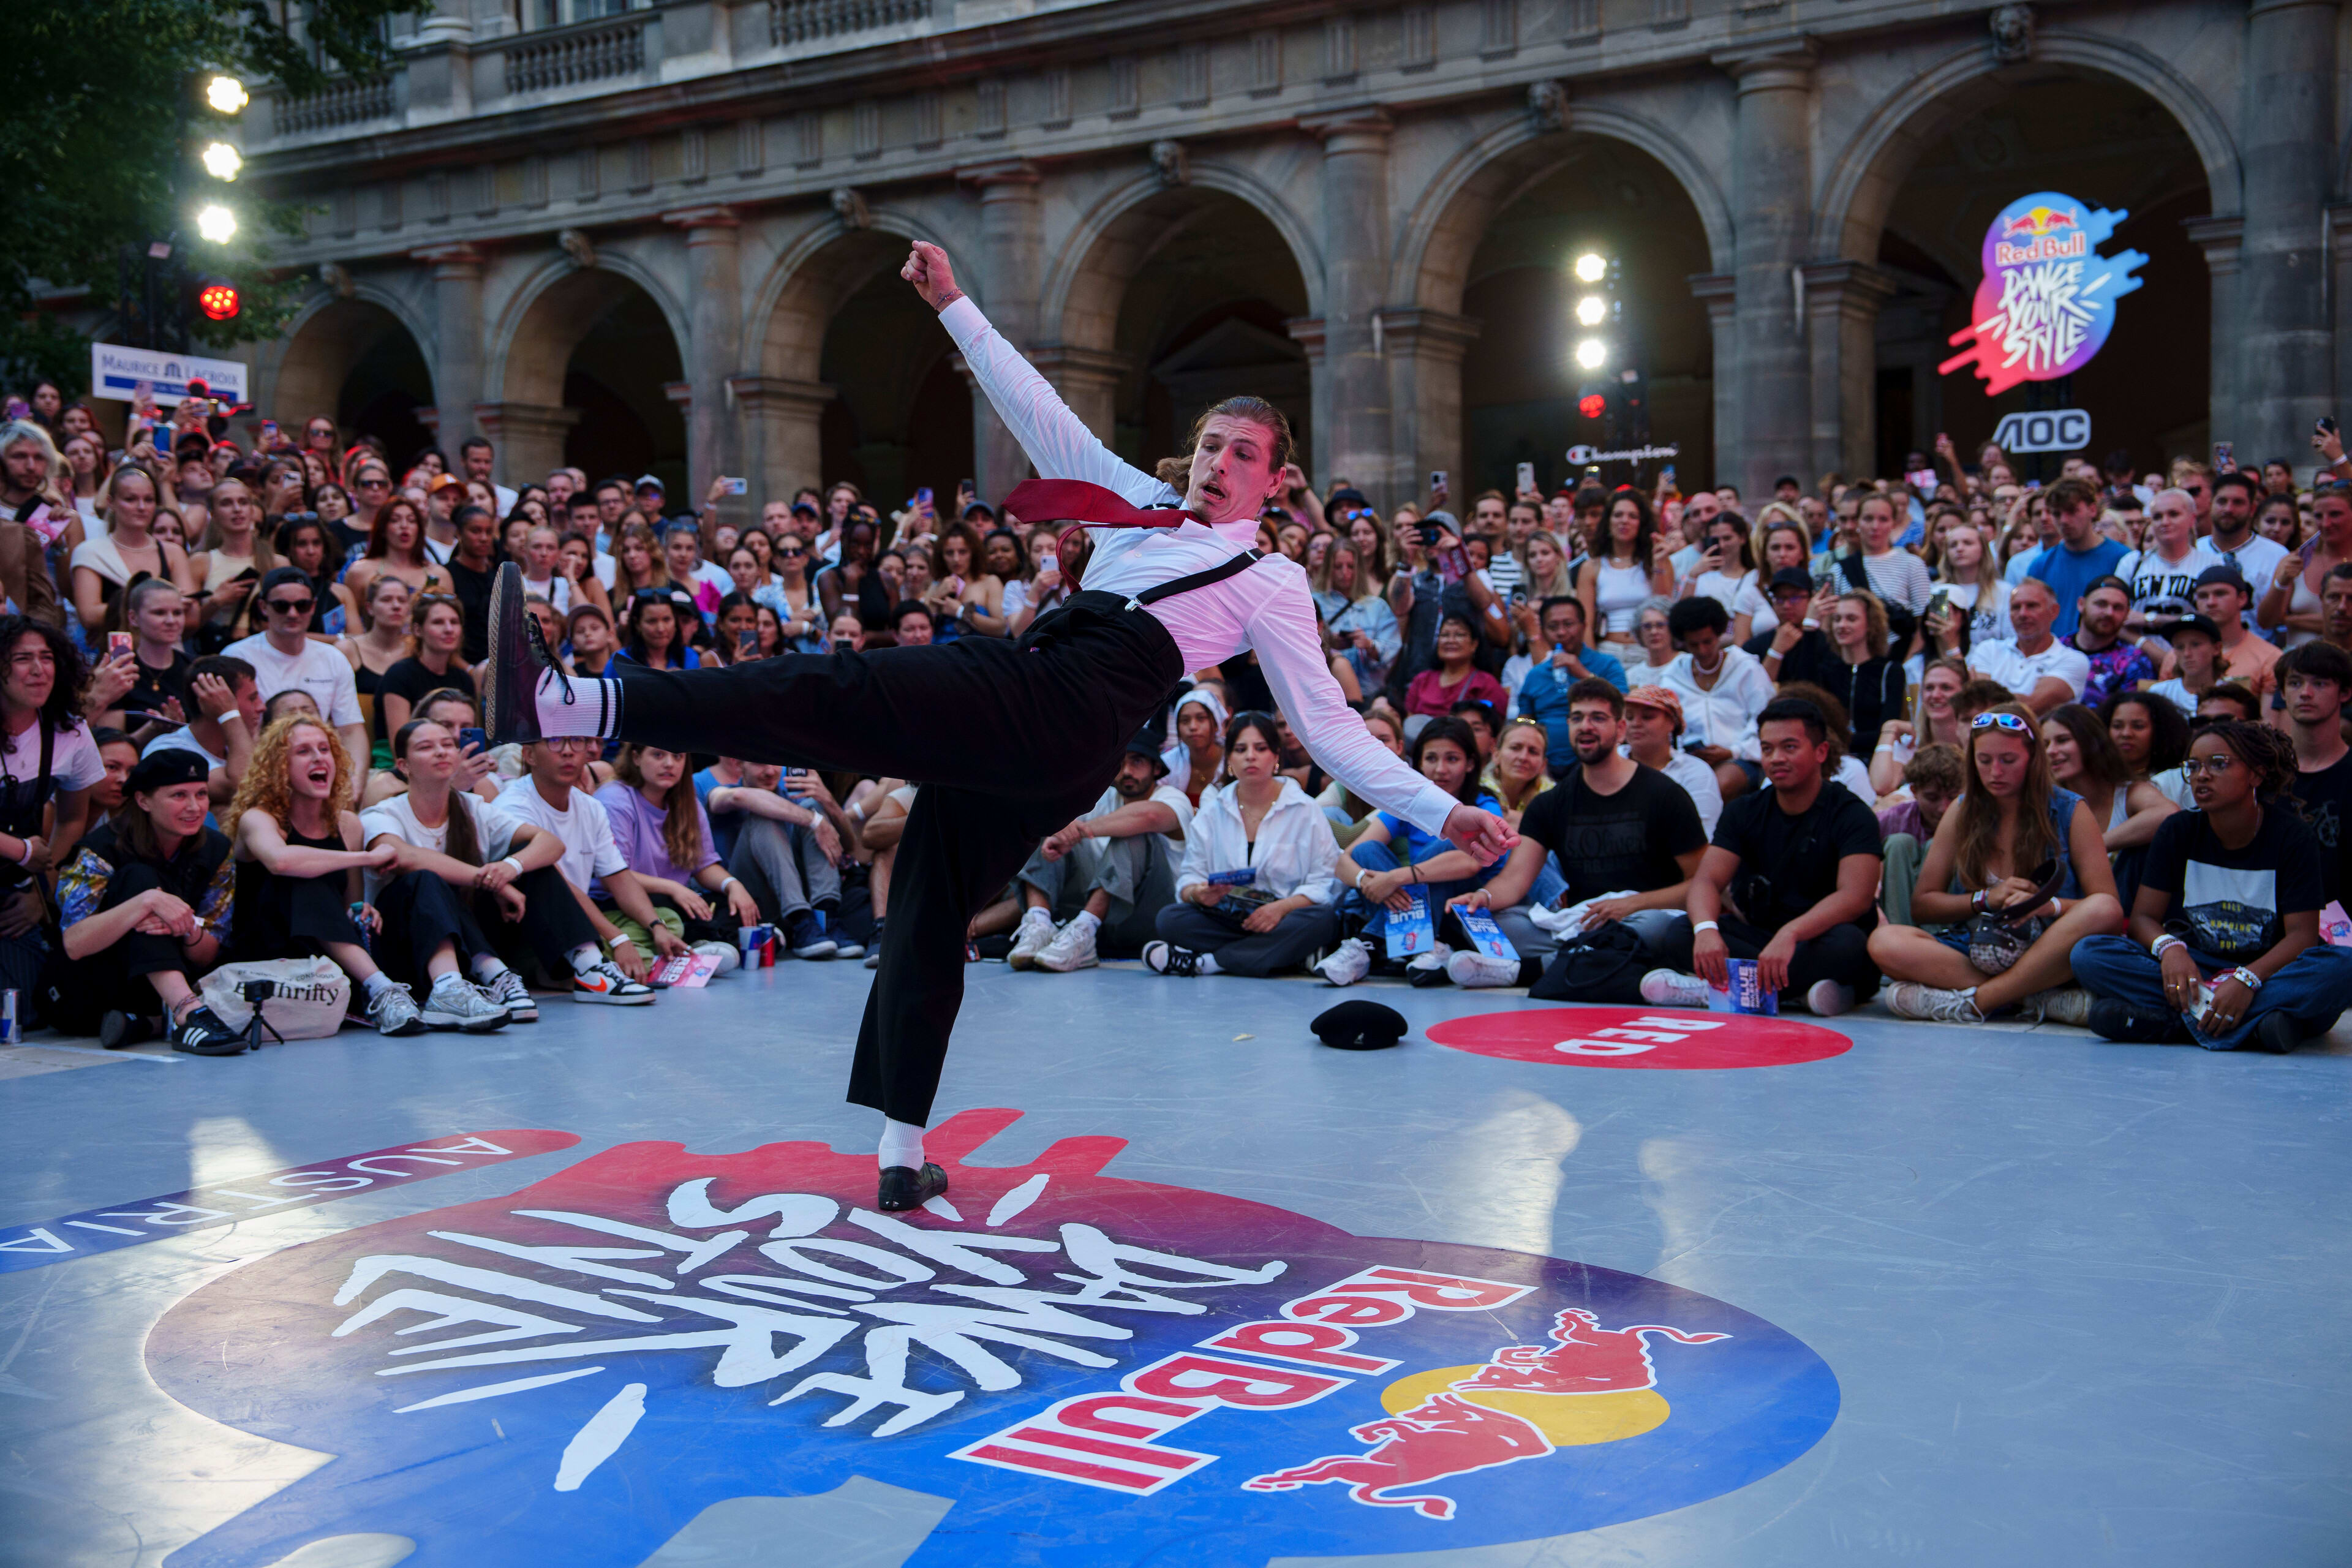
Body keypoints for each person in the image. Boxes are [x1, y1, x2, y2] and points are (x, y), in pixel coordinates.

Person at [481, 240, 1507, 1212]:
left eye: (1242, 455)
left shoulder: (1271, 579)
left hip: (1064, 698)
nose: (1216, 464)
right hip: (1054, 734)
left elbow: (1327, 730)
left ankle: (572, 703)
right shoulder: (1134, 501)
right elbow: (1037, 410)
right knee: (927, 899)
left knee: (838, 690)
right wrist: (952, 305)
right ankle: (902, 1151)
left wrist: (1443, 809)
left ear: (1275, 480)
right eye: (1208, 446)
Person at [2071, 722, 2352, 1052]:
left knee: (2342, 966)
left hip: (2268, 971)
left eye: (2218, 764)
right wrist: (2170, 949)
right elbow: (2143, 919)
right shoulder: (2178, 830)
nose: (2202, 776)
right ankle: (2254, 1024)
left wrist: (2247, 980)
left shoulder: (2292, 837)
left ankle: (2176, 1023)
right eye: (2193, 766)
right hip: (2195, 967)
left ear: (2256, 775)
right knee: (2090, 954)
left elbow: (2301, 937)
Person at [1864, 705, 2125, 1022]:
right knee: (1885, 942)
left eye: (2008, 760)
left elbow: (2109, 908)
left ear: (2032, 758)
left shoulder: (2071, 810)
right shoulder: (1962, 810)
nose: (1995, 772)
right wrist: (1986, 899)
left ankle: (1978, 1002)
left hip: (2050, 946)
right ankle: (2033, 998)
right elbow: (1924, 905)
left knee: (2102, 909)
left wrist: (2046, 906)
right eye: (1984, 760)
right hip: (1978, 944)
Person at [364, 717, 625, 1017]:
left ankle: (590, 967)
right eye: (426, 747)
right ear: (403, 765)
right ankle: (475, 980)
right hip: (406, 948)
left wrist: (510, 868)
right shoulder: (382, 814)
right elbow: (402, 856)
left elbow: (551, 844)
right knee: (425, 879)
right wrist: (486, 879)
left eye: (448, 745)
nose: (441, 752)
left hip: (471, 942)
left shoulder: (473, 808)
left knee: (526, 861)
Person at [1450, 679, 1707, 984]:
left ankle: (1530, 970)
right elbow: (1514, 880)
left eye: (1597, 718)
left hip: (1643, 917)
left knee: (1656, 929)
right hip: (1581, 924)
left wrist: (1631, 905)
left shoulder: (1665, 794)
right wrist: (1482, 898)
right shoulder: (1550, 803)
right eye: (1577, 718)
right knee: (1483, 922)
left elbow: (1701, 884)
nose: (1586, 726)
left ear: (1620, 729)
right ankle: (1585, 960)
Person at [1640, 696, 1884, 1016]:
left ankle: (1721, 990)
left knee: (1848, 944)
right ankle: (1796, 994)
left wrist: (1792, 933)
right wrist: (1706, 930)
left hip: (1817, 938)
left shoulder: (1852, 814)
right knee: (1682, 932)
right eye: (1767, 749)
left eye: (1790, 747)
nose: (1777, 758)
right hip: (1763, 940)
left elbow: (1856, 897)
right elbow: (1707, 881)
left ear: (1821, 752)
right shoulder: (1745, 811)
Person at [224, 714, 426, 1036]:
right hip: (268, 953)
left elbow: (350, 904)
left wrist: (362, 910)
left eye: (324, 749)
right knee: (306, 878)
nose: (319, 758)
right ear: (279, 767)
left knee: (419, 885)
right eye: (303, 751)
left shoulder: (348, 824)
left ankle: (449, 986)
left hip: (324, 955)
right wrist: (367, 857)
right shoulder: (258, 819)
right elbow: (281, 862)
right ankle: (381, 989)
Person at [50, 750, 241, 1052]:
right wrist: (145, 903)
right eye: (179, 795)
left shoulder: (216, 849)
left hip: (157, 990)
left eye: (201, 794)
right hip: (85, 988)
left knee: (159, 908)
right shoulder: (100, 849)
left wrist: (186, 926)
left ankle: (149, 1022)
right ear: (143, 801)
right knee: (140, 879)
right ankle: (187, 1013)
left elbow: (207, 954)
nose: (194, 807)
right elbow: (74, 944)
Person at [1144, 712, 1341, 978]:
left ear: (1276, 756)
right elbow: (1190, 877)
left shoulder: (1305, 810)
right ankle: (1283, 956)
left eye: (1260, 748)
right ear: (1229, 759)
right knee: (1170, 919)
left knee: (1322, 921)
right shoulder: (1212, 811)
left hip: (1284, 916)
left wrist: (1280, 909)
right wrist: (1198, 894)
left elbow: (1324, 882)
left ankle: (1209, 963)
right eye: (1240, 749)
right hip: (1227, 917)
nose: (1250, 756)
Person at [495, 738, 685, 996]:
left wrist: (656, 926)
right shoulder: (513, 805)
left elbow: (618, 876)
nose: (568, 752)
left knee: (667, 919)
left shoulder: (591, 806)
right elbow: (559, 886)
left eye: (577, 741)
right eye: (554, 742)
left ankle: (623, 961)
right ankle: (606, 965)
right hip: (528, 928)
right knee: (543, 871)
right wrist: (618, 938)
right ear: (529, 755)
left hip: (583, 919)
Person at [1322, 715, 1502, 983]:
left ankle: (1369, 942)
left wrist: (1397, 878)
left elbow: (1472, 863)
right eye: (1431, 759)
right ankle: (1427, 947)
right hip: (1417, 905)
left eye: (1452, 759)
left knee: (1442, 845)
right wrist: (1365, 880)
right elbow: (1345, 859)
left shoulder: (1484, 805)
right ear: (1418, 763)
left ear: (1470, 763)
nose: (1440, 769)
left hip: (1460, 907)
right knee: (1367, 851)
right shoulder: (1410, 802)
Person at [1008, 729, 1191, 971]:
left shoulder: (1173, 798)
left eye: (1137, 762)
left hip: (1151, 916)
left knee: (1132, 833)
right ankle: (1039, 924)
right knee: (1053, 828)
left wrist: (1081, 831)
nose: (1127, 771)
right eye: (1121, 763)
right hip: (1104, 921)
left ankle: (1085, 927)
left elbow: (1149, 816)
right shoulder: (1105, 798)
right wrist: (1062, 830)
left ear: (1156, 768)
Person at [594, 744, 760, 967]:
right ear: (636, 757)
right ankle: (706, 944)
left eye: (678, 756)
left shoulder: (687, 801)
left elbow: (704, 865)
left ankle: (702, 945)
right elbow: (614, 876)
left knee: (736, 904)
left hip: (675, 899)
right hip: (619, 901)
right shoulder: (615, 799)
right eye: (658, 755)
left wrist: (732, 885)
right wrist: (673, 888)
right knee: (672, 910)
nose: (669, 764)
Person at [695, 756, 856, 958]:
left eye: (775, 761)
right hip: (747, 903)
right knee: (765, 815)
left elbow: (851, 846)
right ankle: (800, 920)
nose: (770, 771)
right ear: (739, 765)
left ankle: (827, 919)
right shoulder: (721, 792)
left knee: (812, 806)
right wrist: (815, 821)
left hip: (798, 897)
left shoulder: (794, 794)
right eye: (759, 763)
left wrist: (827, 800)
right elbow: (739, 797)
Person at [225, 566, 369, 783]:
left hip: (318, 768)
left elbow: (351, 730)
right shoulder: (238, 657)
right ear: (264, 607)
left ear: (313, 607)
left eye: (301, 606)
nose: (292, 614)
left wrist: (354, 785)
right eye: (281, 606)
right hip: (260, 768)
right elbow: (235, 733)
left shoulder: (333, 658)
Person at [1659, 595, 1777, 799]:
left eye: (1708, 642)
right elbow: (1668, 725)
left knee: (1716, 787)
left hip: (1744, 759)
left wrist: (1734, 751)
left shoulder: (1746, 668)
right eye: (1694, 645)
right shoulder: (1673, 676)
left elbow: (1766, 718)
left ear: (1719, 635)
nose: (1703, 650)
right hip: (1689, 760)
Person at [1777, 588, 1906, 753]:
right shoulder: (1826, 668)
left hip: (1874, 757)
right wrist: (1810, 628)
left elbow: (1886, 732)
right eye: (1837, 619)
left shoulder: (1890, 671)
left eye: (1851, 619)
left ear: (1870, 624)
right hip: (1831, 757)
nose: (1842, 625)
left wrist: (1837, 742)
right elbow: (1805, 694)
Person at [2274, 641, 2352, 907]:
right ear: (2283, 693)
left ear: (2345, 693)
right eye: (2295, 683)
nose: (2305, 693)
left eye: (2320, 684)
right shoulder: (2261, 775)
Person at [1512, 595, 1628, 772]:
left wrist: (1583, 674)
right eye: (1553, 627)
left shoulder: (1607, 665)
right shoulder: (1536, 675)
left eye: (1568, 624)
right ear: (1543, 631)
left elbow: (1624, 706)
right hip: (1545, 766)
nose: (1561, 632)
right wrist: (1526, 726)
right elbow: (1525, 720)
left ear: (1584, 626)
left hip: (1597, 761)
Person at [2025, 476, 2129, 639]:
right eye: (2057, 514)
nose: (2064, 520)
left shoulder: (2123, 559)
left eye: (2072, 512)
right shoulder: (2041, 565)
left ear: (2092, 510)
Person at [1577, 489, 1675, 662]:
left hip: (1648, 652)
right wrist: (1593, 664)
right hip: (1608, 653)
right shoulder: (1591, 568)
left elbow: (1663, 608)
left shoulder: (1657, 562)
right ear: (1608, 522)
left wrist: (1659, 564)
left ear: (1641, 524)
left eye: (1633, 516)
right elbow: (1585, 625)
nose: (1624, 521)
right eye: (1618, 515)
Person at [1964, 577, 2086, 715]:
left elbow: (2029, 707)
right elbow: (1977, 702)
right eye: (2016, 607)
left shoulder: (2073, 660)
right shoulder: (1988, 649)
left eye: (2032, 606)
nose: (2023, 614)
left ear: (2054, 611)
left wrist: (1989, 696)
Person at [1876, 742, 1963, 927]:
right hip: (1896, 916)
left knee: (1935, 846)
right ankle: (1898, 933)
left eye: (1953, 797)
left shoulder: (1975, 821)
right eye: (1932, 798)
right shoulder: (1892, 819)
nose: (1943, 808)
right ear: (1914, 791)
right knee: (1898, 844)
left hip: (1952, 916)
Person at [2116, 488, 2221, 637]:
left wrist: (2152, 619)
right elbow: (2117, 617)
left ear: (2192, 519)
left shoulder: (2212, 564)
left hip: (2191, 648)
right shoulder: (2132, 562)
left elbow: (2212, 620)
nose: (2165, 522)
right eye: (2157, 517)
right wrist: (2145, 645)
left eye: (2174, 514)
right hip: (2138, 649)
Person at [2260, 481, 2352, 650]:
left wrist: (2289, 620)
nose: (2326, 523)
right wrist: (2281, 582)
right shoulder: (2297, 560)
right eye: (2319, 516)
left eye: (2335, 514)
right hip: (2299, 660)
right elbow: (2266, 622)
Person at [1623, 684, 1724, 835]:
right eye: (1629, 717)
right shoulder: (1605, 764)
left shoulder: (1696, 772)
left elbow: (1702, 835)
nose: (1635, 724)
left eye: (1648, 717)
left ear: (1672, 723)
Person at [2190, 565, 2278, 693]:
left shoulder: (2269, 658)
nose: (2210, 602)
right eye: (2203, 596)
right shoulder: (2180, 655)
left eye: (2220, 594)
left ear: (2242, 599)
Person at [1404, 612, 1508, 718]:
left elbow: (1497, 722)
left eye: (1459, 635)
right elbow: (1409, 722)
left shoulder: (1485, 684)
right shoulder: (1422, 681)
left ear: (1474, 644)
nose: (1450, 641)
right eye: (1445, 635)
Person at [2142, 612, 2226, 717]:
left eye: (2196, 645)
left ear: (2217, 649)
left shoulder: (2229, 695)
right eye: (2180, 647)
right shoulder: (2160, 693)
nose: (2187, 654)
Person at [1162, 686, 1229, 807]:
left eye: (1201, 718)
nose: (1193, 727)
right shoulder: (1168, 763)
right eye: (1185, 720)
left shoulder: (1233, 757)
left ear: (1216, 724)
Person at [1482, 716, 1552, 830]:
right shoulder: (1476, 787)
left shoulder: (1553, 794)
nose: (1523, 757)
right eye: (1515, 748)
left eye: (1533, 752)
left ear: (1543, 765)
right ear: (1496, 755)